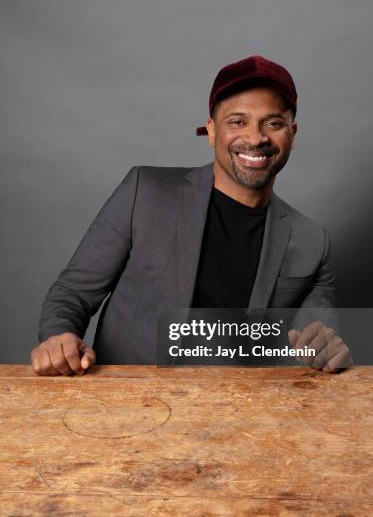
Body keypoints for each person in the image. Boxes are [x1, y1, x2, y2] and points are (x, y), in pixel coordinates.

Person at [31, 55, 352, 376]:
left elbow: (319, 335)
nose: (256, 138)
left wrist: (324, 348)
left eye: (273, 123)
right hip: (130, 405)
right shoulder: (144, 192)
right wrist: (60, 338)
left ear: (292, 135)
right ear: (212, 132)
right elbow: (72, 294)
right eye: (238, 121)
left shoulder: (312, 241)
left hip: (240, 414)